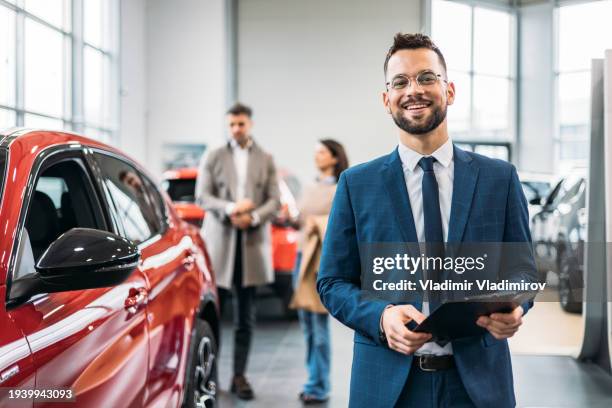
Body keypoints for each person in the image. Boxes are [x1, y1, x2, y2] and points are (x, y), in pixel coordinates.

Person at [317, 33, 537, 407]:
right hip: (388, 385)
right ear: (386, 100)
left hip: (478, 384)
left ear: (449, 90)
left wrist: (516, 307)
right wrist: (381, 315)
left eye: (426, 78)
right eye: (400, 82)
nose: (413, 90)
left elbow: (523, 271)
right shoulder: (357, 184)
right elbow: (332, 281)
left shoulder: (499, 179)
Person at [195, 102, 281, 400]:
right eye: (231, 124)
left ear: (250, 124)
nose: (236, 129)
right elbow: (202, 196)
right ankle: (209, 374)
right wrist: (231, 209)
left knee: (246, 318)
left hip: (251, 245)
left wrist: (253, 216)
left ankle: (239, 376)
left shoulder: (266, 158)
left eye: (241, 124)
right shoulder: (214, 155)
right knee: (214, 315)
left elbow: (274, 200)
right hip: (220, 244)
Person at [288, 140, 349, 404]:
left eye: (322, 152)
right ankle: (313, 380)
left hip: (321, 261)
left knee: (319, 327)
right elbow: (301, 219)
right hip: (302, 258)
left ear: (335, 158)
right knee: (308, 328)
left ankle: (319, 385)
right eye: (315, 152)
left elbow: (341, 224)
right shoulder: (310, 187)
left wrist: (317, 223)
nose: (317, 156)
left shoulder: (340, 188)